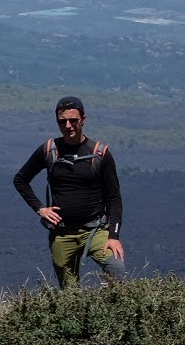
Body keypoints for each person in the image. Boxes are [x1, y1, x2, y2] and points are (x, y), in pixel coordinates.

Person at [12, 96, 125, 288]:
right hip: (62, 232)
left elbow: (114, 198)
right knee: (70, 292)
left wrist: (113, 236)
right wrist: (41, 209)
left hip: (96, 228)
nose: (68, 126)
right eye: (62, 121)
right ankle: (81, 316)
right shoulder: (50, 150)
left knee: (115, 267)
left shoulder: (100, 153)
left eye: (73, 120)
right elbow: (20, 180)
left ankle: (110, 311)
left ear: (83, 120)